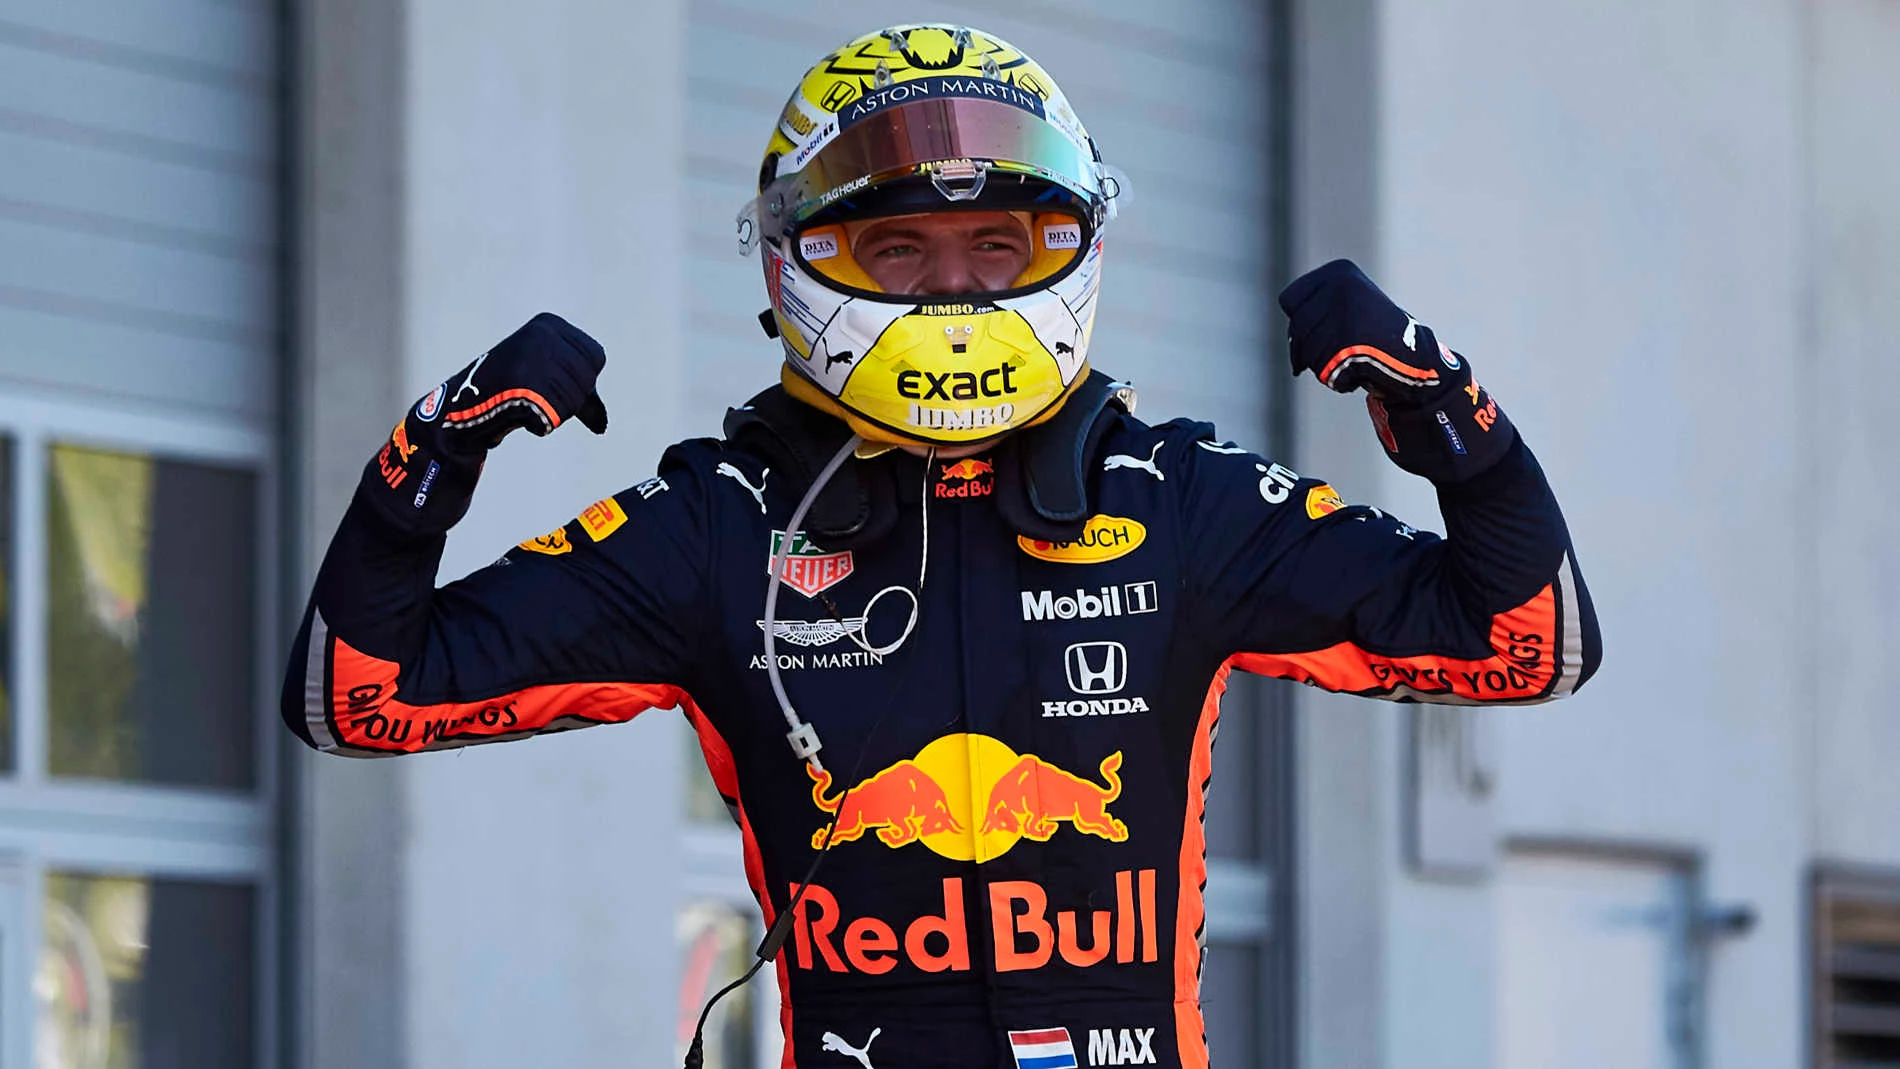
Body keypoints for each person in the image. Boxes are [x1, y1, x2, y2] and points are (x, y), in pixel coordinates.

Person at [281, 23, 1600, 1069]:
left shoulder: (1181, 497)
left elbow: (1528, 645)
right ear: (792, 262)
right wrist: (425, 464)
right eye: (898, 247)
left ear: (1074, 244)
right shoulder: (715, 522)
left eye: (998, 243)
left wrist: (1455, 425)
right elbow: (354, 699)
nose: (956, 289)